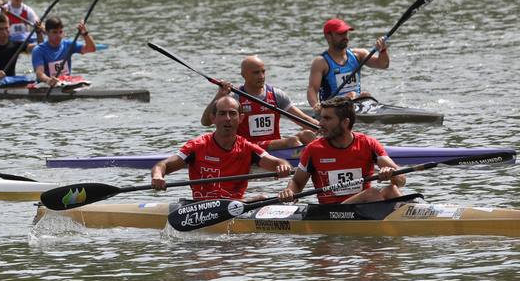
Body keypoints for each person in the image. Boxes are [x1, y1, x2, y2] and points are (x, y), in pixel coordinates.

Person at [152, 96, 293, 200]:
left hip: (236, 206)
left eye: (232, 114)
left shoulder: (248, 148)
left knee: (263, 198)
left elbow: (278, 163)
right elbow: (162, 165)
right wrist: (158, 176)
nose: (227, 118)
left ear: (241, 118)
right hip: (201, 208)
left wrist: (283, 166)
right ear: (213, 118)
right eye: (222, 113)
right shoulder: (197, 146)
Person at [279, 97, 405, 205]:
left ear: (345, 122)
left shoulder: (368, 144)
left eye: (327, 119)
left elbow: (401, 179)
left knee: (391, 190)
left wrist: (391, 174)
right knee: (372, 193)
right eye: (321, 118)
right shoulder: (313, 149)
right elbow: (297, 182)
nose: (320, 123)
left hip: (364, 204)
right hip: (333, 210)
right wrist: (289, 192)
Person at [201, 56, 315, 151]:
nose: (261, 76)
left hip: (274, 144)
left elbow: (303, 119)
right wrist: (220, 95)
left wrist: (327, 129)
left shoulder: (276, 95)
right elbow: (206, 122)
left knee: (308, 134)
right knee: (292, 141)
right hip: (248, 146)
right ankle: (304, 166)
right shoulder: (235, 98)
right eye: (256, 73)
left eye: (263, 72)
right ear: (244, 75)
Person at [306, 18, 388, 109]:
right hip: (333, 108)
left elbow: (383, 64)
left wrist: (383, 50)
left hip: (355, 104)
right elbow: (312, 89)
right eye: (340, 34)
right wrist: (316, 106)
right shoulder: (321, 62)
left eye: (345, 33)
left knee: (365, 95)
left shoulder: (358, 55)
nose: (345, 37)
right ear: (328, 36)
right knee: (353, 95)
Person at [31, 17, 96, 88]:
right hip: (45, 85)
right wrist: (48, 80)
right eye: (55, 32)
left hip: (65, 84)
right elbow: (40, 74)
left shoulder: (68, 45)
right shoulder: (38, 50)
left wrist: (85, 34)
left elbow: (91, 49)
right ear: (47, 32)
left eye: (60, 32)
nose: (58, 36)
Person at [0, 17, 30, 82]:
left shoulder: (17, 45)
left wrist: (39, 33)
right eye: (1, 29)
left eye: (6, 28)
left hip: (11, 83)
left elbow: (38, 49)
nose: (4, 32)